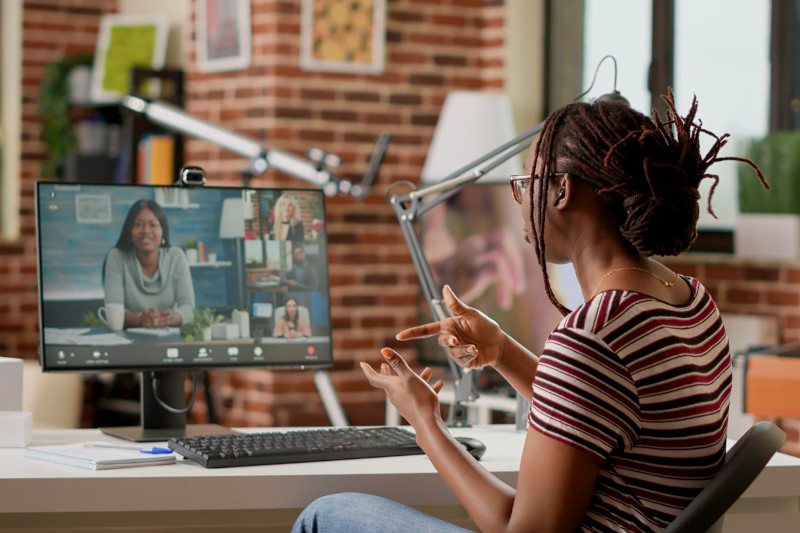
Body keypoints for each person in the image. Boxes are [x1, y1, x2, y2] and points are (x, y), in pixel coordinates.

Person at [292, 90, 768, 532]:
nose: (518, 202)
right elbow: (596, 411)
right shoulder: (690, 299)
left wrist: (424, 423)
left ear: (562, 190)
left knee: (324, 515)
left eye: (523, 182)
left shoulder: (594, 334)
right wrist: (501, 350)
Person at [104, 199, 195, 328]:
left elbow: (188, 308)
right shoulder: (117, 257)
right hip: (129, 340)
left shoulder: (176, 256)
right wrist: (140, 319)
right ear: (130, 231)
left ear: (162, 231)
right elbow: (114, 310)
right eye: (138, 224)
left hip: (168, 337)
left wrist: (170, 319)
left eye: (153, 224)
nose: (146, 230)